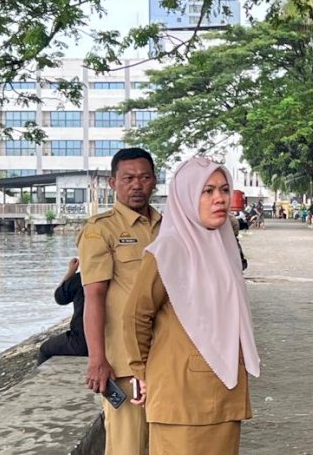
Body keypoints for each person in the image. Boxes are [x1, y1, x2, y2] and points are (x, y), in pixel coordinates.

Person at [124, 157, 260, 455]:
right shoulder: (169, 248)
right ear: (186, 195)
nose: (219, 199)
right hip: (181, 396)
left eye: (224, 190)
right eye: (207, 191)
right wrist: (140, 371)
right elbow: (136, 315)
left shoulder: (223, 245)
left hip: (224, 389)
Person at [77, 147, 161, 454]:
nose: (136, 185)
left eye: (144, 177)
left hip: (164, 356)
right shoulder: (101, 230)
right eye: (128, 178)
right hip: (124, 362)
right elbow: (94, 296)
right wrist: (98, 360)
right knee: (129, 446)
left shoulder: (167, 228)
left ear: (155, 181)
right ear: (113, 183)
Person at [38, 257, 88, 365]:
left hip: (81, 342)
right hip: (113, 340)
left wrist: (70, 272)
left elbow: (60, 298)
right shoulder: (120, 278)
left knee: (45, 350)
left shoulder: (80, 279)